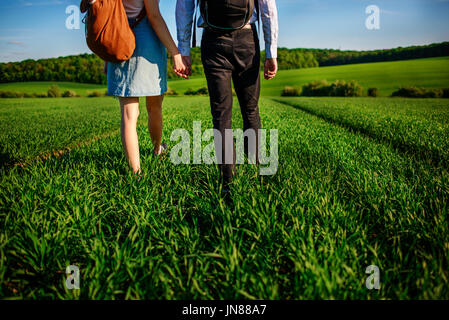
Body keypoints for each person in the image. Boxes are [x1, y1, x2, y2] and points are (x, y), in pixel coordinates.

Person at [176, 0, 279, 194]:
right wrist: (271, 52)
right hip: (247, 39)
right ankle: (254, 172)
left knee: (221, 114)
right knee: (250, 109)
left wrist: (184, 50)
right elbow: (268, 10)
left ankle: (227, 182)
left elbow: (184, 8)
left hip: (213, 41)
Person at [106, 0, 188, 176]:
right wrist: (175, 53)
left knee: (128, 116)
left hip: (117, 40)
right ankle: (157, 150)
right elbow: (154, 16)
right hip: (145, 42)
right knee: (154, 107)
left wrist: (106, 56)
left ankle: (136, 174)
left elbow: (107, 14)